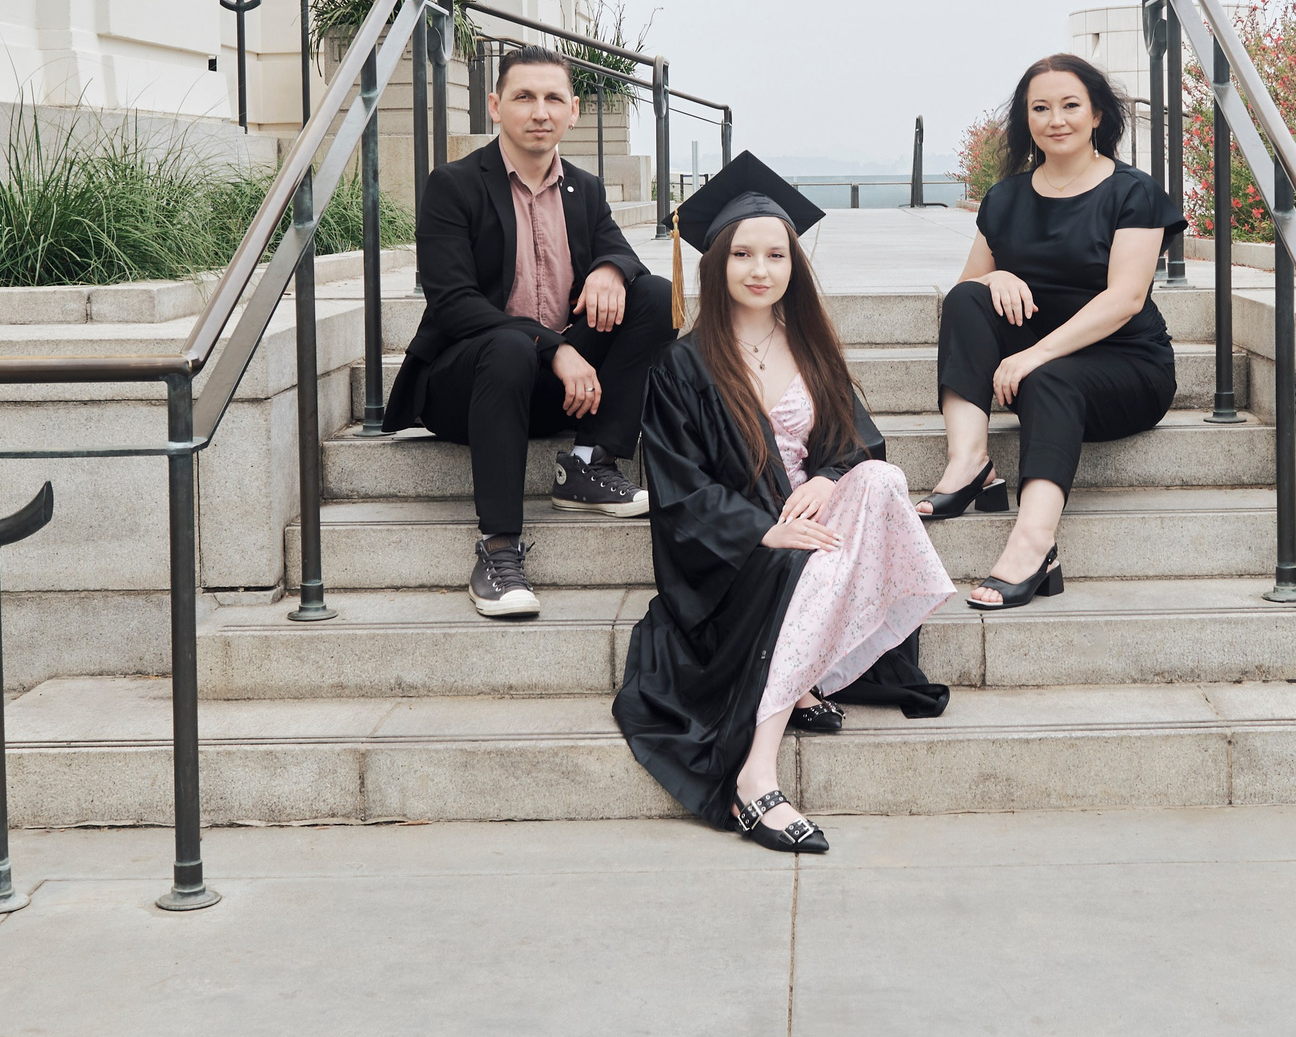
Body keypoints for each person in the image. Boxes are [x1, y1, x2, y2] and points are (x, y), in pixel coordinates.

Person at [615, 154, 953, 854]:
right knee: (817, 562)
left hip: (811, 518)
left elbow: (856, 441)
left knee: (882, 483)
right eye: (742, 254)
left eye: (775, 254)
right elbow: (679, 487)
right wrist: (763, 532)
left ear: (794, 264)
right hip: (733, 552)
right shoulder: (686, 363)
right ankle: (755, 773)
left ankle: (805, 671)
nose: (759, 268)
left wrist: (830, 478)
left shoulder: (810, 346)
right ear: (718, 262)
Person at [383, 44, 676, 620]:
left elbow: (618, 246)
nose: (539, 111)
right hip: (469, 388)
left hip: (556, 390)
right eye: (524, 97)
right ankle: (498, 549)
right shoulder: (454, 185)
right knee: (512, 343)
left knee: (656, 296)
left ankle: (590, 464)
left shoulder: (585, 189)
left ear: (573, 113)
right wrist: (558, 346)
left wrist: (611, 269)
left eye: (553, 98)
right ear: (495, 106)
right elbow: (453, 303)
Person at [913, 54, 1187, 608]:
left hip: (1126, 366)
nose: (1055, 118)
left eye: (1069, 105)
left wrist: (1032, 355)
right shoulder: (1005, 197)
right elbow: (967, 287)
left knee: (1049, 379)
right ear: (1026, 120)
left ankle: (1035, 544)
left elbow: (1125, 299)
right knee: (969, 296)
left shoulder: (1133, 192)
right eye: (1040, 108)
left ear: (1096, 117)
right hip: (1038, 359)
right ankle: (969, 463)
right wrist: (1001, 276)